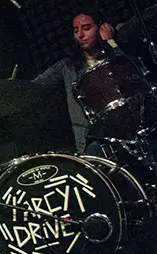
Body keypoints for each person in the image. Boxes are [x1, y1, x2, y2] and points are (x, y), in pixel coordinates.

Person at [32, 10, 118, 156]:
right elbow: (33, 87)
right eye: (76, 30)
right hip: (91, 142)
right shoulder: (67, 67)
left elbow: (130, 69)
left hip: (123, 132)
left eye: (86, 28)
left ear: (101, 28)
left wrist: (111, 42)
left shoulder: (114, 57)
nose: (80, 35)